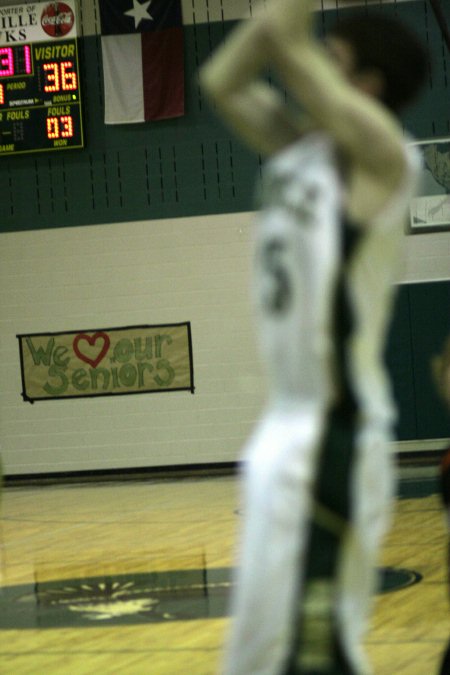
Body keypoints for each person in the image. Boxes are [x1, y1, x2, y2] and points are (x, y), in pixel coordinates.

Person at [200, 4, 428, 674]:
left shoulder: (387, 158)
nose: (313, 66)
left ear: (370, 84)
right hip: (283, 426)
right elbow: (221, 78)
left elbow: (281, 39)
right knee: (256, 656)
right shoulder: (298, 149)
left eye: (335, 59)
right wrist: (279, 23)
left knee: (313, 655)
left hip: (336, 433)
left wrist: (285, 20)